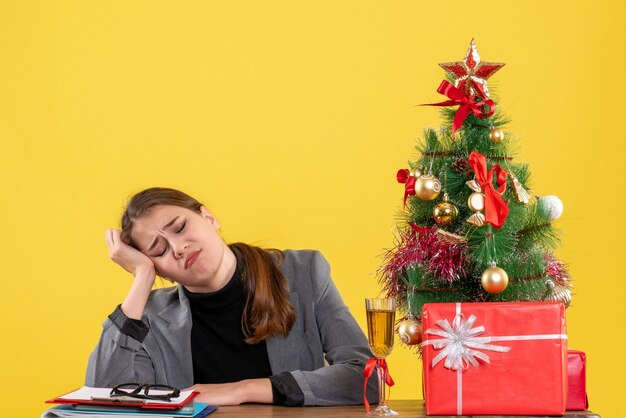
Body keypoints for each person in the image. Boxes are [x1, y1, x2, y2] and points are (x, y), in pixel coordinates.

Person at [85, 187, 378, 406]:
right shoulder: (147, 317)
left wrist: (243, 390)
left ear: (208, 217)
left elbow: (367, 379)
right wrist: (142, 279)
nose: (177, 248)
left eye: (180, 227)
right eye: (159, 251)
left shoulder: (305, 272)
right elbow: (102, 401)